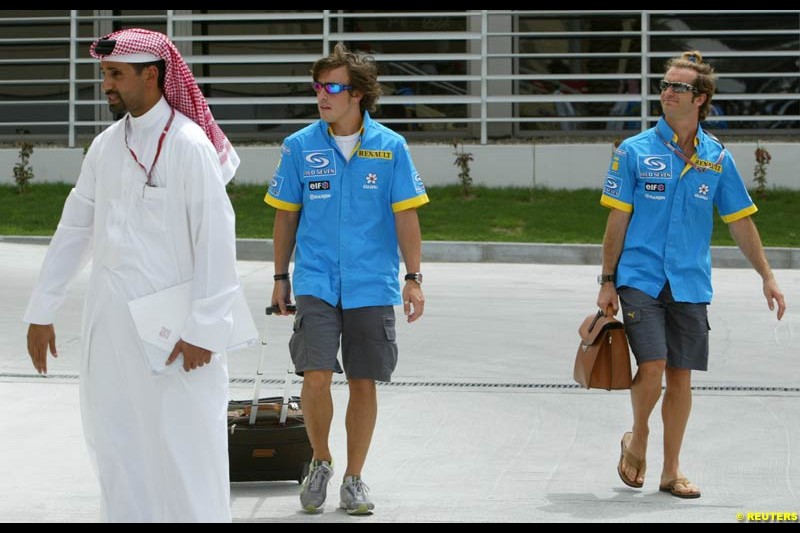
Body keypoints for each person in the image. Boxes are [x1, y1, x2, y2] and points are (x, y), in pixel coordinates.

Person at [23, 28, 241, 522]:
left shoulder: (188, 145)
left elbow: (216, 240)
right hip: (112, 331)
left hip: (178, 338)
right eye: (104, 74)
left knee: (185, 457)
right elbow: (75, 229)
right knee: (118, 451)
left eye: (116, 75)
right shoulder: (105, 146)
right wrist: (43, 309)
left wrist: (206, 327)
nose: (107, 86)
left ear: (152, 75)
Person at [597, 50, 786, 499]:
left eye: (677, 87)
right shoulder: (633, 152)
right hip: (639, 278)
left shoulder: (716, 158)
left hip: (690, 281)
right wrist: (606, 280)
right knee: (654, 365)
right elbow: (616, 222)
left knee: (680, 376)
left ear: (700, 99)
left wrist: (767, 275)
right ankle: (638, 436)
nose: (666, 92)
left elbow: (739, 219)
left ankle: (672, 471)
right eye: (664, 85)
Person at [264, 42, 429, 515]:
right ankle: (321, 461)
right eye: (318, 86)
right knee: (315, 376)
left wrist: (413, 277)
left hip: (371, 283)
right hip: (315, 279)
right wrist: (280, 276)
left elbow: (407, 218)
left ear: (358, 94)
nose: (322, 95)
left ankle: (354, 478)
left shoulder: (391, 147)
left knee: (363, 381)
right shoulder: (299, 146)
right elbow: (285, 217)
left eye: (332, 86)